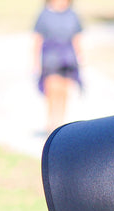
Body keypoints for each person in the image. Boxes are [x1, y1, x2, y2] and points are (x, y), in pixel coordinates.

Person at [33, 0, 83, 134]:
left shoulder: (72, 15)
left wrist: (80, 58)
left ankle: (60, 124)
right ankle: (50, 123)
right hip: (50, 59)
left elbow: (76, 39)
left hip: (68, 59)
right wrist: (36, 63)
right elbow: (37, 40)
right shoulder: (44, 15)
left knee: (65, 91)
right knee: (52, 90)